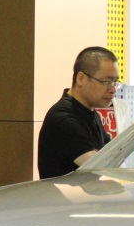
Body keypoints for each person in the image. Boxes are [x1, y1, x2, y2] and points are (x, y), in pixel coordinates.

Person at [37, 47, 118, 179]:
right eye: (106, 81)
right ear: (81, 78)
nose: (113, 89)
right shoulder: (63, 118)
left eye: (115, 82)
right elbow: (100, 168)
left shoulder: (91, 114)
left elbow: (114, 158)